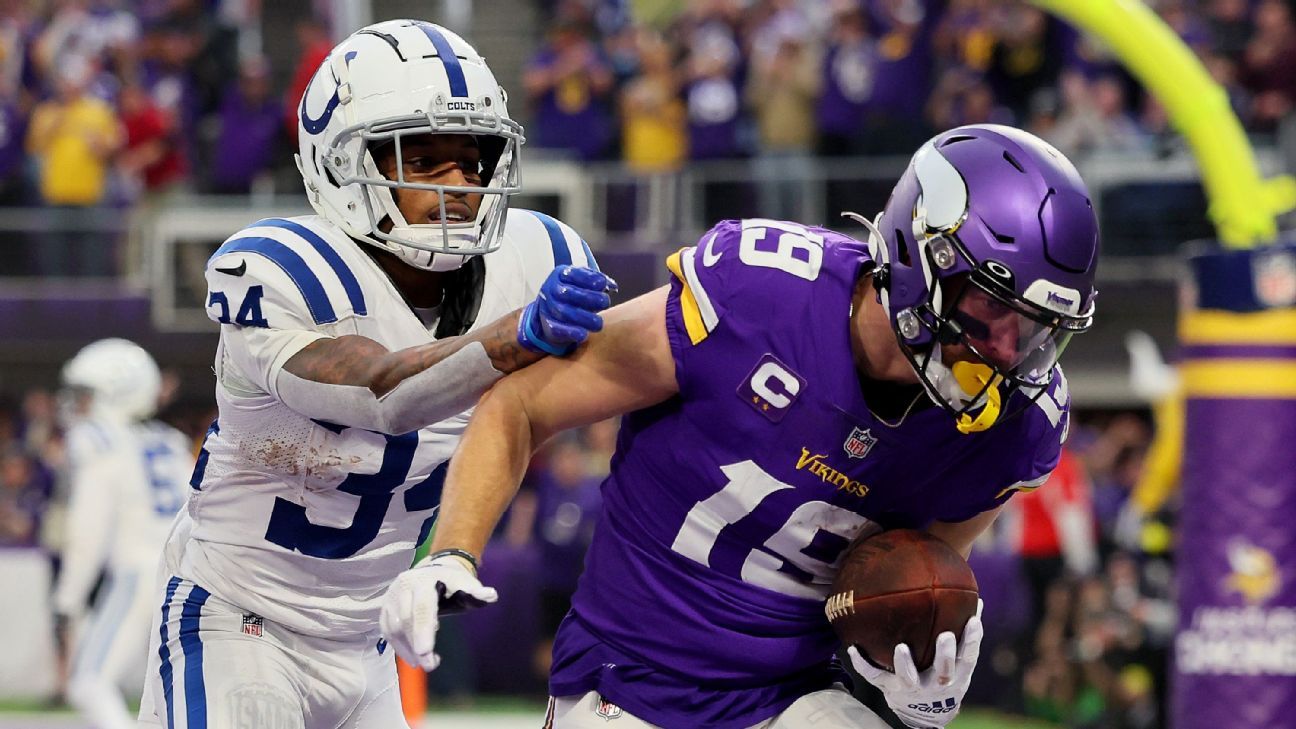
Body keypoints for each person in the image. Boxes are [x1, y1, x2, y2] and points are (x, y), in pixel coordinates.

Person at [397, 123, 1100, 728]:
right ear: (922, 255)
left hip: (799, 697)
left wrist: (912, 682)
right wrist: (452, 551)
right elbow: (521, 404)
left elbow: (922, 571)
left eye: (1040, 331)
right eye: (991, 312)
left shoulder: (1014, 423)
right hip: (628, 685)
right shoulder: (757, 293)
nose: (1009, 353)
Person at [137, 20, 614, 728]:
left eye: (473, 158)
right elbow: (380, 390)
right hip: (237, 619)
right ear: (338, 162)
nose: (461, 185)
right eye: (421, 160)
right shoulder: (279, 269)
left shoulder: (536, 257)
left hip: (367, 644)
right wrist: (516, 334)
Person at [53, 339, 192, 729]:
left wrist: (68, 598)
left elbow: (87, 532)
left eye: (85, 395)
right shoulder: (171, 442)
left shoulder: (99, 442)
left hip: (139, 574)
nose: (76, 405)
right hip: (189, 575)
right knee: (173, 691)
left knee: (89, 682)